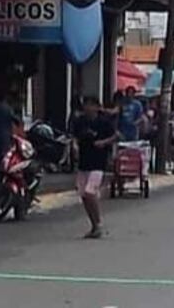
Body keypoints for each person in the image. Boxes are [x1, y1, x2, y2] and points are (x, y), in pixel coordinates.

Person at [70, 96, 117, 239]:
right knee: (84, 195)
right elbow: (74, 137)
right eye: (86, 105)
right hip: (84, 161)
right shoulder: (80, 122)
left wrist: (104, 142)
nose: (88, 108)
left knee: (90, 192)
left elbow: (116, 136)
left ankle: (98, 223)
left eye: (91, 105)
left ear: (97, 107)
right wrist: (75, 145)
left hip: (98, 162)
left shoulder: (104, 122)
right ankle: (93, 225)